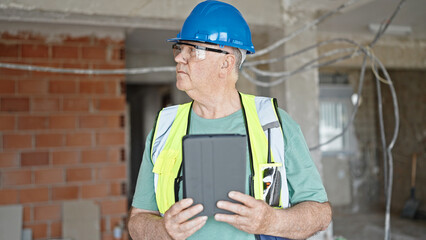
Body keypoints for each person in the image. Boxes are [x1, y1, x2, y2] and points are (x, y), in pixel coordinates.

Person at [127, 1, 332, 239]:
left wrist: (271, 221)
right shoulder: (165, 127)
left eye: (193, 50)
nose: (180, 58)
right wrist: (162, 230)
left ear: (226, 63)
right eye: (180, 48)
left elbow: (321, 215)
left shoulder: (275, 124)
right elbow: (137, 221)